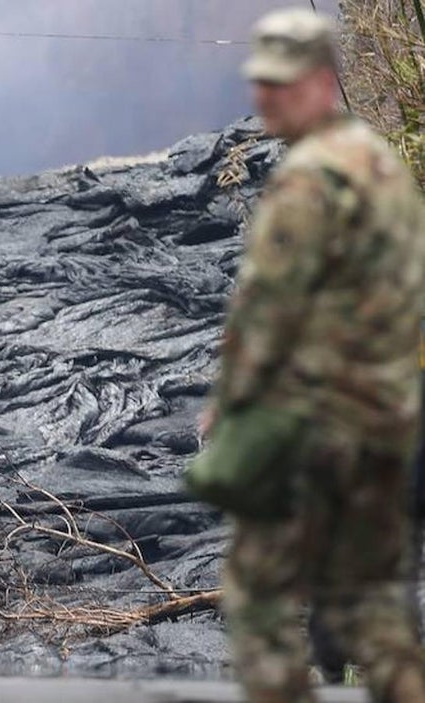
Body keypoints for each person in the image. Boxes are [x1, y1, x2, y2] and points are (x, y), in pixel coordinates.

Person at [201, 7, 425, 702]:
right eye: (261, 83)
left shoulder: (311, 180)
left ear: (322, 83)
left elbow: (269, 306)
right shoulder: (381, 164)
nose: (266, 97)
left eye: (282, 83)